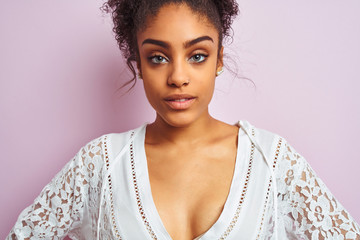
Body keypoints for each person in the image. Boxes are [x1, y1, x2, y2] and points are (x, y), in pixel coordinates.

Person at [6, 0, 360, 239]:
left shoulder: (273, 162)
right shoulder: (99, 163)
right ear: (139, 65)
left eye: (197, 55)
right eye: (158, 57)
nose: (177, 76)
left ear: (219, 59)